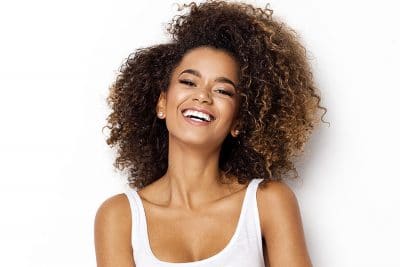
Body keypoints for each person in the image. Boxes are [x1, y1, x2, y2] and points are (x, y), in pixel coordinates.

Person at [94, 0, 327, 266]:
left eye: (223, 90)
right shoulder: (120, 217)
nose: (202, 96)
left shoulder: (268, 203)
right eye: (188, 82)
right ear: (162, 103)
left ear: (238, 121)